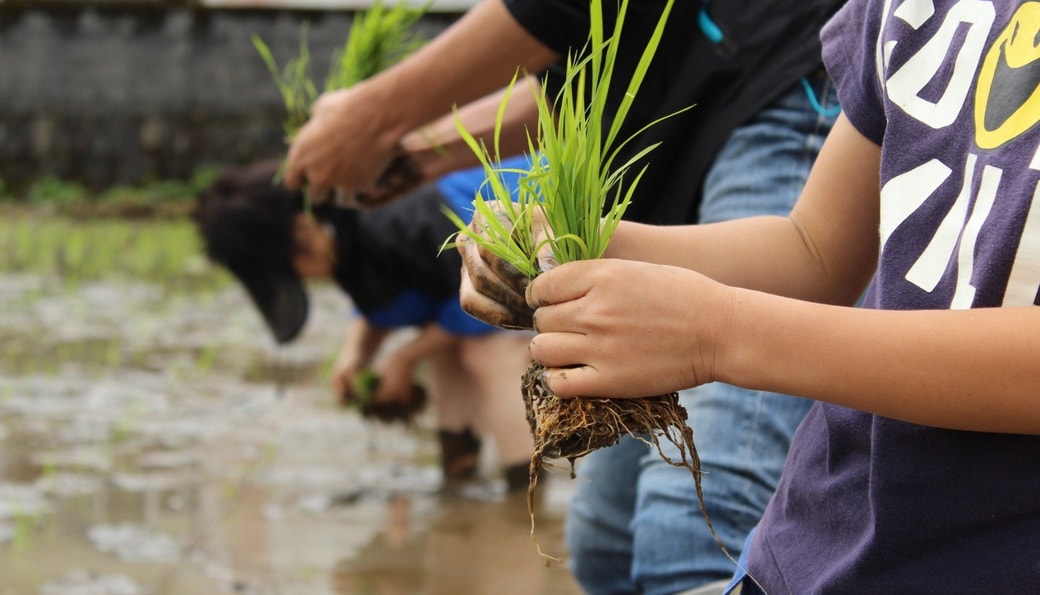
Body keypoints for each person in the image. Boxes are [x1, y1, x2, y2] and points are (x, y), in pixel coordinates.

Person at [457, 0, 1040, 590]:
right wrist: (582, 243)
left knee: (677, 541)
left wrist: (722, 332)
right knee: (606, 545)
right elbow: (812, 250)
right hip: (806, 551)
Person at [282, 0, 844, 591]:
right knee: (603, 543)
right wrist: (419, 151)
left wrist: (374, 115)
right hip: (683, 116)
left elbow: (559, 10)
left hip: (782, 80)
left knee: (688, 532)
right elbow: (594, 74)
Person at [192, 158, 537, 492]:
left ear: (302, 231)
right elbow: (389, 296)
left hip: (526, 220)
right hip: (468, 266)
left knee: (488, 353)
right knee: (445, 356)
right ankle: (460, 480)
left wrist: (403, 358)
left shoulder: (396, 220)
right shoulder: (343, 232)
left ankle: (524, 496)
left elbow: (479, 303)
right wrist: (355, 356)